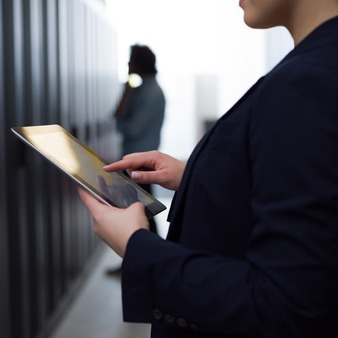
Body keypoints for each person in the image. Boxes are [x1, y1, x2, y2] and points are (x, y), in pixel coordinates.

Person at [78, 0, 338, 337]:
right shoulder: (316, 66)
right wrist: (197, 175)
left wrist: (136, 245)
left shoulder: (308, 80)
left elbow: (286, 303)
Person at [106, 44, 166, 275]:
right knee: (140, 211)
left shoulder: (151, 93)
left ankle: (150, 261)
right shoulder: (141, 90)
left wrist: (122, 115)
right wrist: (125, 94)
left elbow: (131, 128)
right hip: (135, 160)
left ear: (140, 63)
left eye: (131, 60)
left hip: (141, 162)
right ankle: (146, 260)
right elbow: (117, 114)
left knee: (140, 212)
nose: (128, 64)